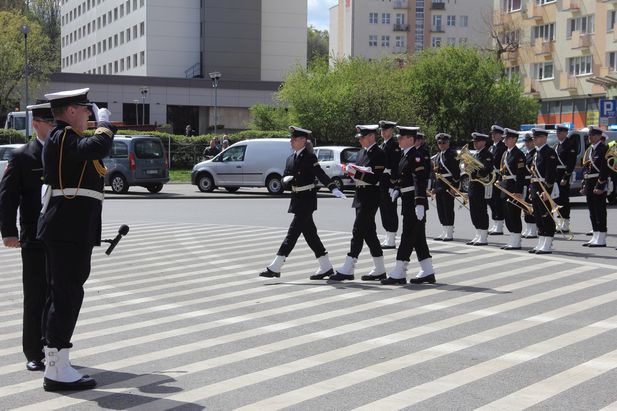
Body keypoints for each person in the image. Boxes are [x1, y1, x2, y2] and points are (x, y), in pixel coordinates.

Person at [37, 88, 116, 391]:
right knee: (66, 294)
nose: (90, 114)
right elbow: (97, 146)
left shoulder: (66, 138)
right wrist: (106, 124)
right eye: (86, 109)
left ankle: (56, 361)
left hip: (70, 228)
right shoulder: (63, 136)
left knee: (65, 293)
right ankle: (57, 368)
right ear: (70, 111)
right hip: (67, 229)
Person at [0, 102, 54, 372]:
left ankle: (54, 347)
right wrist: (9, 231)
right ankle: (34, 351)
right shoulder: (22, 156)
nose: (55, 128)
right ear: (36, 125)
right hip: (33, 238)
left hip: (63, 239)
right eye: (50, 123)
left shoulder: (64, 153)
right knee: (35, 296)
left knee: (58, 296)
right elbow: (8, 197)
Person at [259, 126, 346, 279]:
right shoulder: (290, 158)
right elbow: (286, 178)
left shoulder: (309, 157)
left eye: (294, 139)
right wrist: (285, 181)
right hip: (297, 199)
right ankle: (326, 266)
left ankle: (276, 266)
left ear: (303, 140)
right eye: (291, 138)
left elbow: (320, 174)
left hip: (307, 200)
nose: (291, 141)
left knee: (292, 234)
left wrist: (333, 188)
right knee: (311, 235)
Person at [330, 125, 386, 282]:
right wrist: (349, 170)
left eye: (363, 137)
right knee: (369, 233)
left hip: (371, 196)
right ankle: (380, 269)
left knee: (358, 230)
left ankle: (348, 267)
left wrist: (355, 172)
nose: (360, 140)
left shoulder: (379, 154)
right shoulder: (362, 152)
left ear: (371, 136)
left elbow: (375, 178)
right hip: (360, 195)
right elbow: (358, 173)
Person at [382, 126, 435, 285]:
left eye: (401, 137)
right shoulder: (405, 156)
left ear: (410, 139)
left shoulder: (416, 156)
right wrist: (397, 189)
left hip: (414, 202)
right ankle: (428, 271)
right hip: (407, 201)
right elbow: (402, 178)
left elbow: (419, 180)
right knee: (418, 238)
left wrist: (419, 202)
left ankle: (399, 271)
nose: (398, 139)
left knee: (407, 236)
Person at [528, 127, 558, 254]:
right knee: (538, 216)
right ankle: (541, 241)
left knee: (546, 216)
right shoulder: (536, 152)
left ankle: (548, 242)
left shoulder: (549, 152)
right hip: (535, 187)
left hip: (543, 188)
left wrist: (547, 191)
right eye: (533, 138)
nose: (534, 140)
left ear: (544, 138)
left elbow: (550, 175)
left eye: (536, 137)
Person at [498, 128, 527, 250]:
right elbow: (502, 169)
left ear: (514, 139)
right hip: (505, 187)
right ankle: (512, 238)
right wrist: (499, 180)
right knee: (507, 214)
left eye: (507, 138)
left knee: (514, 214)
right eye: (504, 138)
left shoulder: (519, 154)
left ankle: (516, 240)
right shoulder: (505, 153)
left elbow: (520, 175)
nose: (504, 140)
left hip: (514, 188)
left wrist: (519, 191)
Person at [581, 126, 609, 248]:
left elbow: (604, 169)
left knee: (600, 211)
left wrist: (600, 185)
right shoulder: (590, 150)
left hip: (598, 182)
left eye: (592, 135)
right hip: (590, 182)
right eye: (589, 135)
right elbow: (586, 169)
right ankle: (595, 235)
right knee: (592, 211)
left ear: (598, 136)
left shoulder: (604, 149)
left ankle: (601, 237)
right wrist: (585, 185)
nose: (590, 137)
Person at [465, 132, 494, 246]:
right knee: (474, 212)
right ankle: (478, 233)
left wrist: (474, 168)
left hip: (481, 186)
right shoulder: (475, 155)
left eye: (477, 142)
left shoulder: (487, 154)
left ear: (483, 142)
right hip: (473, 185)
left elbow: (486, 170)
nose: (475, 144)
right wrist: (468, 167)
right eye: (474, 142)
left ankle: (483, 236)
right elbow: (470, 171)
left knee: (481, 211)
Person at [432, 133, 460, 241]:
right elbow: (436, 173)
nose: (441, 145)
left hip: (448, 183)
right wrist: (434, 187)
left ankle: (449, 232)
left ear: (448, 143)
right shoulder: (438, 155)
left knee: (448, 208)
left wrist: (454, 186)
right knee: (440, 209)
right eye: (439, 143)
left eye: (444, 143)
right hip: (439, 184)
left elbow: (456, 172)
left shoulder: (452, 154)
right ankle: (444, 230)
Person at [378, 120, 400, 249]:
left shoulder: (394, 145)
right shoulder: (382, 145)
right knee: (383, 209)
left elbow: (396, 166)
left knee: (390, 209)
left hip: (389, 182)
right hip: (382, 181)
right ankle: (387, 235)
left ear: (391, 131)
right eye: (381, 130)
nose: (383, 132)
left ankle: (392, 238)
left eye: (385, 129)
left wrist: (394, 184)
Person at [554, 125, 577, 233]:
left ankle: (566, 222)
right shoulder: (557, 145)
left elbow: (571, 163)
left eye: (560, 132)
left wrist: (566, 177)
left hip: (563, 175)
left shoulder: (570, 145)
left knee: (564, 199)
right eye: (557, 132)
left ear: (565, 133)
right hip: (557, 175)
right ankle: (560, 221)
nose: (557, 134)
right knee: (557, 199)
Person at [488, 125, 507, 235]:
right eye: (492, 133)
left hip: (498, 177)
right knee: (491, 201)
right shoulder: (491, 148)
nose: (493, 135)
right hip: (491, 177)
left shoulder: (503, 147)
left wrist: (500, 178)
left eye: (495, 133)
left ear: (500, 135)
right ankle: (495, 223)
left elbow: (504, 165)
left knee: (498, 202)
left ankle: (499, 225)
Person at [521, 133, 538, 239]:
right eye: (526, 142)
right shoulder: (526, 154)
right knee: (525, 206)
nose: (527, 143)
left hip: (531, 182)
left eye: (529, 141)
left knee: (531, 206)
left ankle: (533, 229)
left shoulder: (535, 154)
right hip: (525, 183)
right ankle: (528, 227)